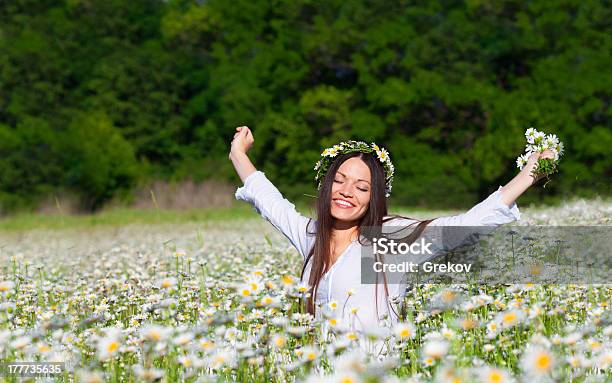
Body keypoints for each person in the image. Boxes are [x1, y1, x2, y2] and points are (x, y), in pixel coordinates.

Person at [229, 125, 555, 337]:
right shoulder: (312, 236)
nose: (345, 192)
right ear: (326, 185)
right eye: (339, 181)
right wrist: (238, 154)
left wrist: (530, 175)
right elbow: (270, 201)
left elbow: (463, 225)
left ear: (375, 198)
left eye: (361, 187)